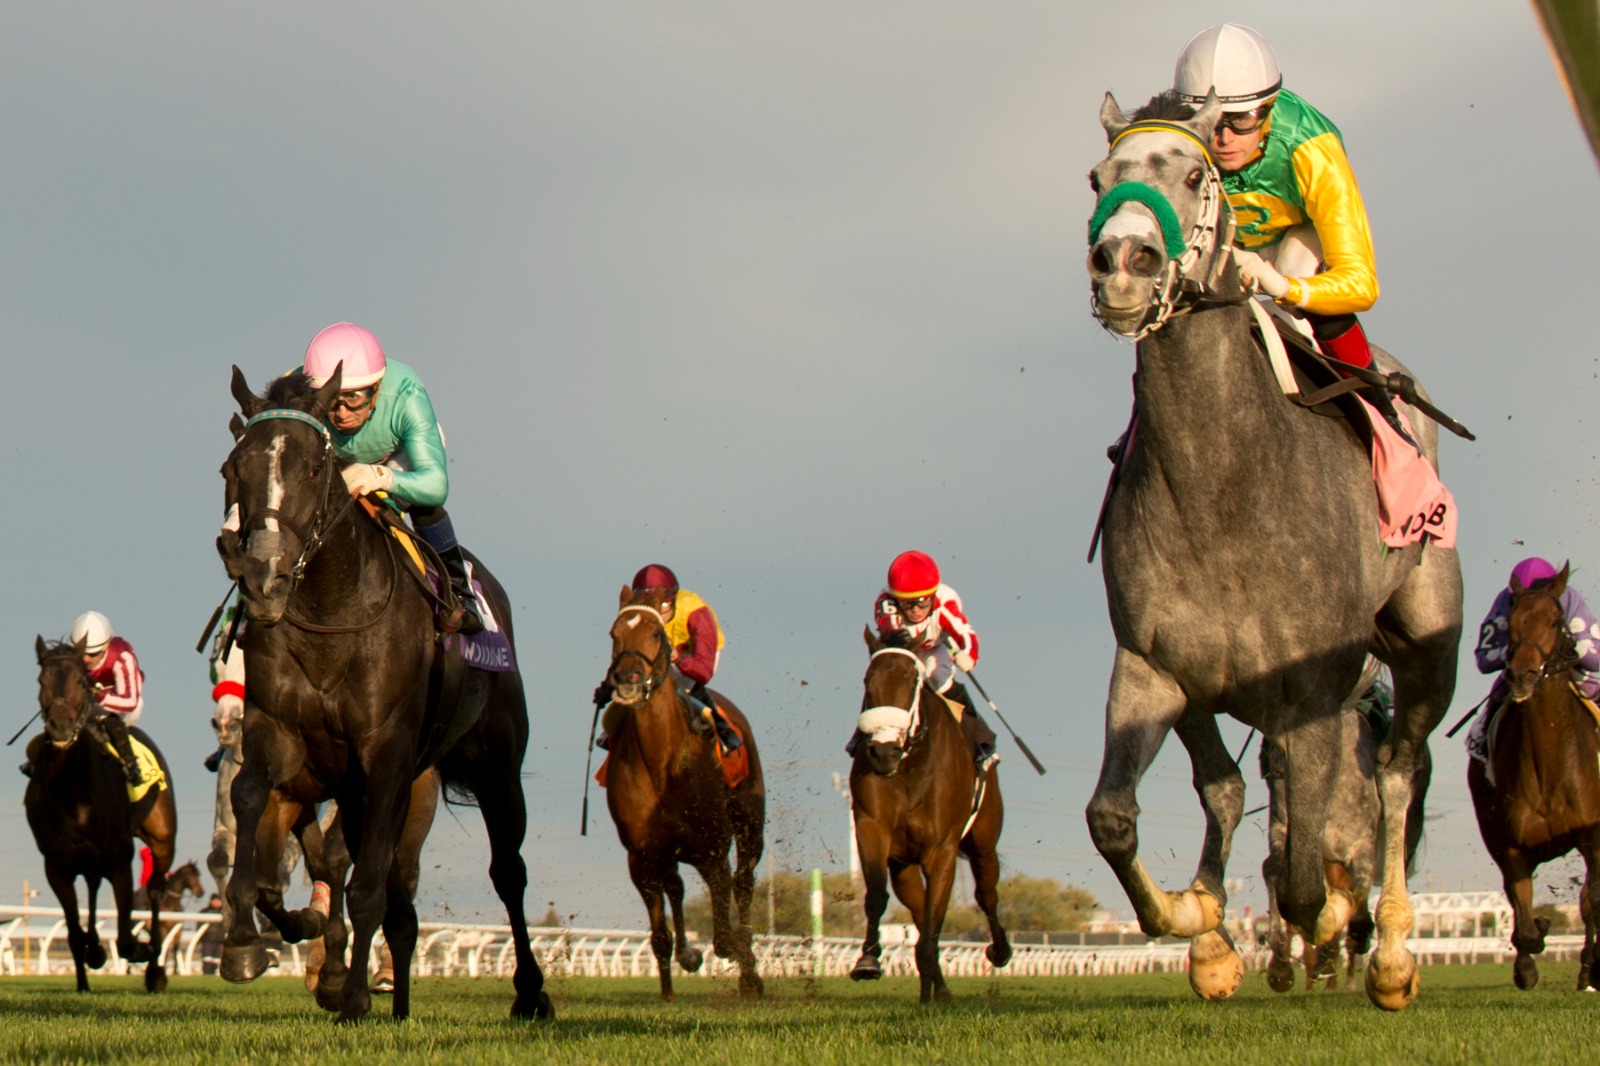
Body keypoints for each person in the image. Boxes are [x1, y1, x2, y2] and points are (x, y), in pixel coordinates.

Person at [1172, 23, 1378, 371]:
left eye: (1241, 120)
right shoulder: (1174, 138)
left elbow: (1361, 283)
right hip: (1218, 247)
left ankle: (1378, 410)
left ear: (1268, 107)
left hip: (1294, 244)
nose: (1223, 138)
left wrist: (1284, 286)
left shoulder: (1312, 146)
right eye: (1207, 121)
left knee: (1297, 268)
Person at [302, 322, 481, 634]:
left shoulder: (406, 395)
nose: (342, 413)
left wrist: (381, 477)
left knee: (424, 505)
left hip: (395, 459)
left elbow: (436, 486)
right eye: (331, 400)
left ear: (376, 389)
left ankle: (461, 596)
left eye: (354, 398)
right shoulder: (298, 390)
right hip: (333, 462)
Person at [855, 550, 999, 773]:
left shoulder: (944, 605)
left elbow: (966, 634)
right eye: (908, 604)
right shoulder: (886, 603)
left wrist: (969, 655)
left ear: (932, 598)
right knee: (883, 678)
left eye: (922, 604)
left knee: (938, 678)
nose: (914, 611)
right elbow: (890, 631)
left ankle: (981, 741)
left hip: (933, 648)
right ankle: (859, 736)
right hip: (900, 649)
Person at [593, 564, 743, 753]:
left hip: (693, 654)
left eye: (661, 606)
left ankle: (722, 729)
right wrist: (608, 687)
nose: (655, 611)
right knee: (638, 685)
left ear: (672, 601)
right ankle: (613, 738)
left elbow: (703, 672)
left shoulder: (696, 613)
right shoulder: (640, 614)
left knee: (684, 686)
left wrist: (679, 658)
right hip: (658, 652)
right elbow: (626, 656)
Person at [1466, 556, 1600, 763]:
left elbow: (1595, 660)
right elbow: (1484, 659)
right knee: (1491, 708)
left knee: (1593, 688)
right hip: (1519, 670)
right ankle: (1483, 751)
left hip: (1568, 669)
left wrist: (1572, 646)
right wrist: (1514, 653)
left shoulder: (1569, 597)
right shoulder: (1505, 600)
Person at [22, 611, 146, 783]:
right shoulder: (72, 658)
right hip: (88, 703)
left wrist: (98, 695)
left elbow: (130, 701)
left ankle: (131, 765)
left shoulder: (122, 657)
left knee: (107, 718)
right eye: (82, 653)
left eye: (93, 654)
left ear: (105, 648)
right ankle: (38, 759)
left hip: (122, 704)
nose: (86, 659)